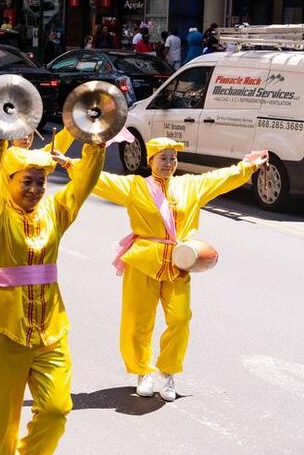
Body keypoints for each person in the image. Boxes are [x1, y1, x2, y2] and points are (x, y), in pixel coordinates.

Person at [68, 139, 267, 402]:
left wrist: (247, 167)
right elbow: (97, 179)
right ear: (150, 160)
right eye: (163, 158)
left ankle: (168, 370)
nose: (169, 163)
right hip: (143, 262)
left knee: (180, 319)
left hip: (178, 263)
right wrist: (70, 163)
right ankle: (142, 372)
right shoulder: (134, 186)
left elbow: (222, 178)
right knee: (138, 321)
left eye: (173, 158)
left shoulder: (190, 186)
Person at [0, 134, 105, 454]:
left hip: (51, 328)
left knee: (56, 409)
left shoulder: (56, 213)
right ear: (9, 181)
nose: (34, 189)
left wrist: (96, 148)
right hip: (5, 329)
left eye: (41, 182)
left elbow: (83, 185)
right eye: (27, 181)